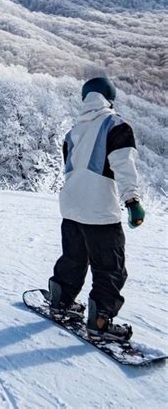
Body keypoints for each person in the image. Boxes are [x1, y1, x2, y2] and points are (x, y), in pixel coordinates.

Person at [48, 77, 145, 341]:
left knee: (73, 259)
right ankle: (100, 321)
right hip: (100, 211)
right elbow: (123, 166)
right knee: (109, 268)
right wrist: (132, 202)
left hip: (70, 207)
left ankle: (60, 302)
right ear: (109, 97)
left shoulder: (73, 131)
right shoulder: (115, 125)